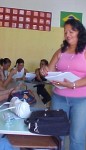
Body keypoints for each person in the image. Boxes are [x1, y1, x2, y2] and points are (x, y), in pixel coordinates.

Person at [40, 19, 86, 150]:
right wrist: (45, 71)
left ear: (80, 32)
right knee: (56, 135)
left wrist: (74, 85)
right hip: (59, 97)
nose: (68, 35)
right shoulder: (60, 51)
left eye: (72, 31)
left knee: (77, 137)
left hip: (81, 100)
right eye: (65, 32)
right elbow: (50, 70)